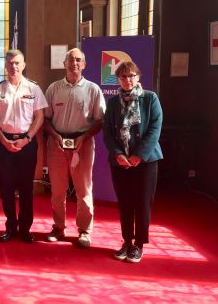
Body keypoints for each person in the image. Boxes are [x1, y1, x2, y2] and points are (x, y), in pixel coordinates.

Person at [43, 48, 105, 248]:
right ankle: (59, 228)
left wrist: (84, 137)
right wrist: (56, 137)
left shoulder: (93, 89)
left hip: (83, 145)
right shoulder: (53, 89)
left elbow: (99, 120)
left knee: (84, 190)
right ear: (64, 64)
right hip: (56, 146)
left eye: (78, 60)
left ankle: (85, 231)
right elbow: (45, 119)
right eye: (70, 60)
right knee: (58, 191)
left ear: (84, 64)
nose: (74, 63)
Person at [103, 61, 163, 263]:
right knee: (125, 203)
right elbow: (108, 133)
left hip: (145, 162)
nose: (127, 80)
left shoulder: (150, 99)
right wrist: (118, 154)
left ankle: (138, 244)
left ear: (138, 77)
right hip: (120, 163)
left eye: (131, 76)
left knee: (142, 202)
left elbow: (155, 128)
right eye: (122, 77)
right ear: (118, 79)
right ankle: (127, 241)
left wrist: (139, 155)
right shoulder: (112, 103)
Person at [0, 49, 48, 243]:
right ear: (6, 65)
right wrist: (4, 140)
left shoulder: (33, 89)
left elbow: (39, 117)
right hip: (4, 143)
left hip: (27, 143)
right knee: (6, 187)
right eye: (10, 62)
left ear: (23, 65)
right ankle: (10, 226)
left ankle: (25, 229)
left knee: (26, 188)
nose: (13, 66)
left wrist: (27, 138)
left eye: (17, 63)